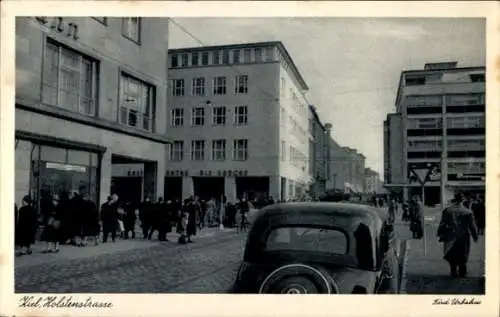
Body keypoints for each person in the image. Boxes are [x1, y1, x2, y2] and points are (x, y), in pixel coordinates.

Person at [437, 192, 479, 277]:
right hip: (463, 237)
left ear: (454, 199)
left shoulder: (447, 211)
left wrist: (440, 234)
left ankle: (453, 271)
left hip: (450, 236)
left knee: (452, 253)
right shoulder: (468, 212)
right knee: (463, 254)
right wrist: (475, 237)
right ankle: (462, 271)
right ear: (463, 200)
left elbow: (442, 224)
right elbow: (472, 226)